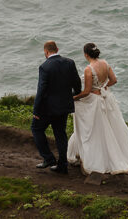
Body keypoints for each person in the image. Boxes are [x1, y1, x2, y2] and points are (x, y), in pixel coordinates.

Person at [66, 43, 128, 175]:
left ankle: (95, 159)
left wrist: (74, 98)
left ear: (86, 54)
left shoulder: (89, 69)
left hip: (94, 101)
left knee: (93, 130)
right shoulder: (105, 63)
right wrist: (104, 87)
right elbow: (114, 80)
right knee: (108, 127)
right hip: (105, 98)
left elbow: (87, 91)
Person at [31, 40, 82, 174]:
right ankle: (63, 165)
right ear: (57, 49)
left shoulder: (45, 67)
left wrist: (36, 110)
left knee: (36, 129)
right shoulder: (69, 63)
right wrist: (74, 94)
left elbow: (41, 90)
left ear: (46, 52)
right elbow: (77, 82)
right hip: (64, 106)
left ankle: (48, 158)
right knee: (60, 134)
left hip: (48, 108)